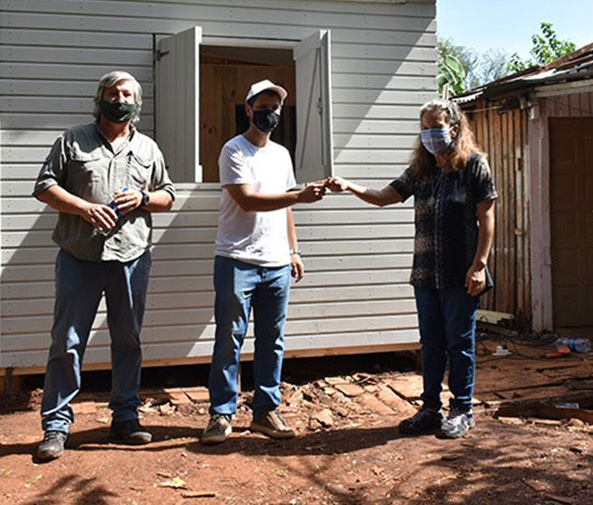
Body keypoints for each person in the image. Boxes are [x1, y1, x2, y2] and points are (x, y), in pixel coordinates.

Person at [325, 98, 496, 439]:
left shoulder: (474, 165)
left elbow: (487, 217)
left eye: (436, 127)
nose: (429, 134)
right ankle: (430, 409)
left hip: (461, 272)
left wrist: (479, 265)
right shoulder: (421, 170)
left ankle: (462, 409)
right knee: (430, 344)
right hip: (425, 273)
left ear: (454, 129)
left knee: (459, 343)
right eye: (424, 128)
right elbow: (383, 196)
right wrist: (349, 186)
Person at [32, 71, 176, 461]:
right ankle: (56, 426)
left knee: (127, 339)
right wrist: (84, 208)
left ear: (137, 104)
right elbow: (45, 186)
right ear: (100, 99)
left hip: (131, 256)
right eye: (112, 93)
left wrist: (143, 199)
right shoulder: (72, 140)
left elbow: (168, 195)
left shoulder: (148, 148)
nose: (119, 99)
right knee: (67, 341)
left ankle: (125, 417)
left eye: (127, 94)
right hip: (79, 257)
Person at [200, 80, 326, 445]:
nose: (270, 113)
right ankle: (221, 414)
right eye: (263, 106)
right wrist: (299, 196)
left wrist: (293, 250)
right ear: (248, 109)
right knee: (229, 340)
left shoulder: (282, 154)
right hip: (236, 260)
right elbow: (248, 200)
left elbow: (285, 205)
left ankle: (266, 412)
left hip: (276, 263)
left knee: (272, 340)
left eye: (276, 108)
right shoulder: (233, 150)